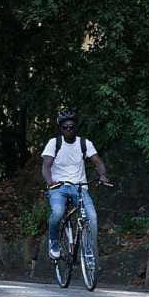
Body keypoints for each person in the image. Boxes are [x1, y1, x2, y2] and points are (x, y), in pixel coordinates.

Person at [41, 108, 109, 260]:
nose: (69, 130)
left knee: (92, 216)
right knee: (58, 212)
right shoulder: (54, 143)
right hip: (58, 187)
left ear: (75, 127)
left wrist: (103, 175)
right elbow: (46, 166)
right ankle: (54, 242)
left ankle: (89, 248)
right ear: (61, 128)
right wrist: (50, 182)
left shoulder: (84, 143)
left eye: (71, 127)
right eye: (65, 127)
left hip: (79, 186)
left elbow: (97, 161)